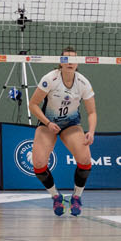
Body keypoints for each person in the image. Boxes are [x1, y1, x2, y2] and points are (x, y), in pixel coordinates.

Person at [29, 48, 97, 216]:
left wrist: (91, 131)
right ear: (61, 62)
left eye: (73, 59)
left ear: (78, 63)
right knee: (38, 164)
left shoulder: (83, 83)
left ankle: (76, 197)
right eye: (66, 59)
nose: (70, 62)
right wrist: (48, 122)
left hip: (71, 124)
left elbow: (92, 112)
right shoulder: (50, 79)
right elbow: (33, 105)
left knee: (85, 159)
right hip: (48, 124)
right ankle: (56, 197)